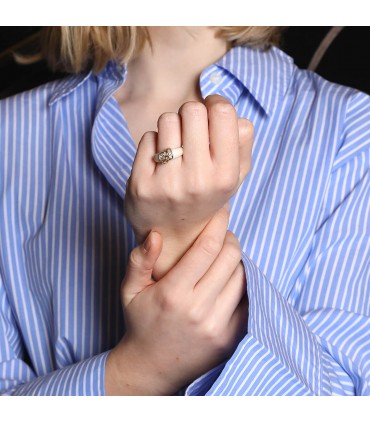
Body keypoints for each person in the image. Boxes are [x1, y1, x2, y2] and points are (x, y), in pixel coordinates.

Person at [0, 26, 369, 396]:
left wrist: (185, 244)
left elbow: (346, 393)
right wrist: (140, 368)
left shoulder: (349, 127)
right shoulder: (8, 135)